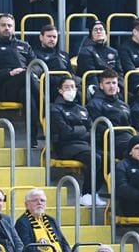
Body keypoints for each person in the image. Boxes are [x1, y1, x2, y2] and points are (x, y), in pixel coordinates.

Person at [0, 14, 41, 147]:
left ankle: (32, 137)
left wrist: (28, 72)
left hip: (26, 84)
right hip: (4, 87)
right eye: (3, 25)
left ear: (14, 28)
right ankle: (44, 104)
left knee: (27, 95)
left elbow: (37, 66)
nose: (7, 28)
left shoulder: (24, 45)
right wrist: (9, 73)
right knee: (27, 77)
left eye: (9, 25)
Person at [51, 78, 104, 206]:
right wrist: (82, 130)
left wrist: (78, 131)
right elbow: (65, 132)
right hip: (65, 146)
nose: (70, 90)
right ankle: (85, 194)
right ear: (60, 90)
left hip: (84, 145)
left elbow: (92, 131)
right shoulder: (55, 109)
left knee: (107, 158)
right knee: (94, 158)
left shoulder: (82, 109)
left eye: (72, 87)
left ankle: (94, 193)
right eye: (67, 87)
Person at [86, 69, 131, 158]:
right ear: (101, 86)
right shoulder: (94, 104)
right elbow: (97, 128)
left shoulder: (123, 104)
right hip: (108, 140)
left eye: (114, 83)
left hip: (126, 137)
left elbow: (131, 124)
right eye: (108, 83)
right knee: (133, 148)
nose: (112, 86)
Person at [34, 25, 79, 101]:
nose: (52, 39)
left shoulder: (64, 55)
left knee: (81, 91)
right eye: (49, 36)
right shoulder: (35, 54)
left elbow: (71, 73)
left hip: (67, 86)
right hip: (49, 88)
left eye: (54, 37)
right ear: (41, 37)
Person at [76, 20, 123, 90]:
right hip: (96, 87)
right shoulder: (85, 51)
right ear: (91, 35)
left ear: (105, 33)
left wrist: (119, 86)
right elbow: (90, 75)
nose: (98, 31)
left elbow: (119, 73)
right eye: (95, 30)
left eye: (101, 29)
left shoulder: (113, 51)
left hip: (114, 86)